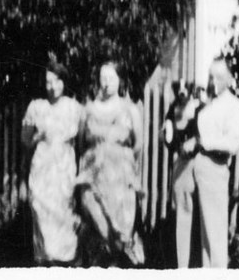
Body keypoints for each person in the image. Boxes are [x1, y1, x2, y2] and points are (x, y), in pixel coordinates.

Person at [168, 57, 239, 269]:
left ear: (231, 78)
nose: (213, 81)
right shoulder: (202, 103)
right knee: (184, 226)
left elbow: (231, 143)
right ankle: (182, 274)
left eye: (219, 77)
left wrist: (202, 141)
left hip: (213, 167)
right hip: (186, 167)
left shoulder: (236, 107)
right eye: (210, 76)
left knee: (213, 232)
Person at [76, 60, 146, 266]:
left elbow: (139, 144)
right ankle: (100, 260)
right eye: (102, 78)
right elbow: (81, 143)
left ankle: (117, 263)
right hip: (95, 175)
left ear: (120, 80)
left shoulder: (129, 109)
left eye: (111, 78)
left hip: (121, 178)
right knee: (97, 219)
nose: (106, 82)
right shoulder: (88, 109)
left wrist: (119, 159)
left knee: (122, 226)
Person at [21, 58, 83, 266]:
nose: (52, 86)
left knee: (62, 211)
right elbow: (25, 139)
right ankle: (45, 259)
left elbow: (83, 139)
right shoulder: (37, 107)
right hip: (42, 166)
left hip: (64, 166)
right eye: (48, 82)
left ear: (64, 82)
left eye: (57, 81)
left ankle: (65, 260)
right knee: (40, 207)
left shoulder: (74, 107)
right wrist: (37, 137)